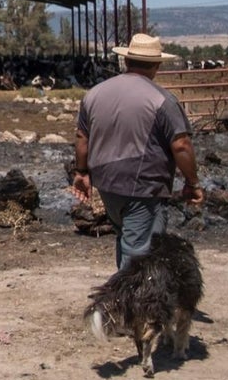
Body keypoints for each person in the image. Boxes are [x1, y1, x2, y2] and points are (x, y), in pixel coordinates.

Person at [70, 33, 205, 270]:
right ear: (156, 65)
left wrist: (81, 172)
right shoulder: (162, 100)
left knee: (126, 238)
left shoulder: (94, 94)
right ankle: (131, 302)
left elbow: (82, 137)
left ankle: (124, 297)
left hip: (107, 182)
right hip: (143, 184)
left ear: (127, 61)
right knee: (141, 252)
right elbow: (181, 145)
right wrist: (192, 183)